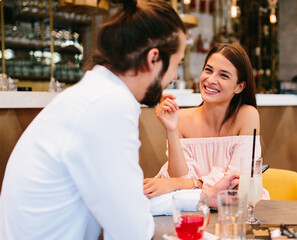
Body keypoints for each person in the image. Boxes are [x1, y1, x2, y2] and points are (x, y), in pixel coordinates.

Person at [0, 0, 187, 239]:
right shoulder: (108, 106)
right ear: (154, 58)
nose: (174, 76)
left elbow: (125, 207)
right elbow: (132, 231)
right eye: (176, 64)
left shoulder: (96, 95)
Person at [144, 43, 268, 200]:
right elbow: (180, 180)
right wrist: (171, 130)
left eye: (223, 75)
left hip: (236, 209)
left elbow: (233, 185)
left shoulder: (247, 116)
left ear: (239, 87)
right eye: (208, 70)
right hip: (193, 207)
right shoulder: (180, 118)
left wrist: (176, 184)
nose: (210, 80)